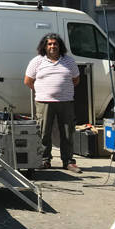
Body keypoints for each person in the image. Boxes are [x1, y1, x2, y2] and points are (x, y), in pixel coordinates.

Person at [24, 33, 81, 173]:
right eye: (49, 44)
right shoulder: (37, 61)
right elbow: (28, 81)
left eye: (55, 44)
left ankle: (68, 161)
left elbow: (76, 80)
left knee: (67, 133)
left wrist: (61, 90)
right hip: (44, 102)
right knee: (44, 133)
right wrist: (43, 91)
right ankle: (44, 160)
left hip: (65, 102)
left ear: (60, 46)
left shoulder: (69, 61)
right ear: (44, 46)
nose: (52, 46)